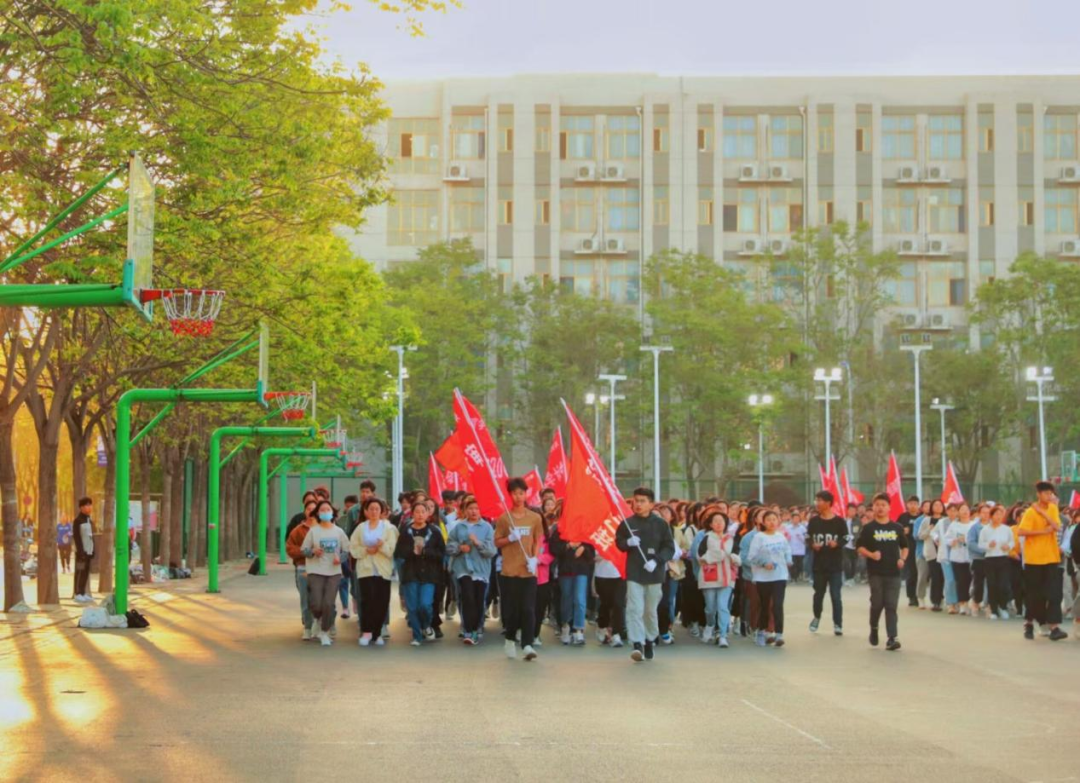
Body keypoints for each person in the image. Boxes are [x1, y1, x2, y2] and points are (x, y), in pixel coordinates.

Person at [616, 487, 676, 663]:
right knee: (635, 608)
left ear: (651, 504)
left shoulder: (661, 524)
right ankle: (637, 644)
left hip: (654, 573)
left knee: (650, 610)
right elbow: (619, 542)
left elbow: (669, 548)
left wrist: (657, 561)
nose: (638, 504)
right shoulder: (627, 523)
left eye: (642, 501)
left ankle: (650, 639)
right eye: (636, 500)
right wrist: (627, 542)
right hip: (634, 572)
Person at [493, 477, 544, 661]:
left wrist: (534, 558)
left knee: (529, 609)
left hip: (528, 571)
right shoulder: (504, 518)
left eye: (521, 492)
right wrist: (509, 539)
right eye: (515, 493)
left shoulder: (535, 518)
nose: (518, 496)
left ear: (526, 494)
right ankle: (509, 639)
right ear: (510, 495)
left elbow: (538, 539)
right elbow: (496, 541)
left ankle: (528, 645)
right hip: (509, 571)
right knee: (513, 610)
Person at [856, 493, 909, 651]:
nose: (880, 507)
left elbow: (905, 546)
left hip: (893, 572)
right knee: (877, 604)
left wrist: (902, 559)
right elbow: (860, 547)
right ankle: (874, 628)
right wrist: (871, 555)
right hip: (876, 572)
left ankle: (892, 638)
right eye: (877, 505)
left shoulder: (897, 527)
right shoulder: (869, 528)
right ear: (873, 507)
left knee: (891, 605)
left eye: (883, 505)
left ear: (889, 507)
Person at [1016, 481, 1068, 641]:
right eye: (1046, 493)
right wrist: (1041, 531)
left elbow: (1056, 527)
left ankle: (1054, 627)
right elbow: (1021, 531)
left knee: (1053, 594)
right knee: (1034, 595)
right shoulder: (1030, 513)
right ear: (1038, 494)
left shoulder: (1052, 508)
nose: (1049, 496)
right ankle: (1029, 623)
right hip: (1034, 560)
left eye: (1050, 494)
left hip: (1051, 558)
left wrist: (1043, 513)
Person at [394, 500, 446, 646]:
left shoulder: (434, 532)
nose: (420, 515)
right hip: (411, 574)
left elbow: (442, 553)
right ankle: (417, 636)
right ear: (412, 514)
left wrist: (425, 551)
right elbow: (399, 552)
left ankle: (426, 625)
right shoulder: (406, 531)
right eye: (417, 512)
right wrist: (411, 551)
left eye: (423, 512)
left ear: (428, 514)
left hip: (429, 575)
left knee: (425, 604)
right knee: (413, 606)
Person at [446, 494, 496, 645]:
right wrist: (460, 548)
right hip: (463, 568)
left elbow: (491, 551)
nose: (474, 511)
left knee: (479, 600)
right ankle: (467, 630)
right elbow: (449, 546)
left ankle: (476, 628)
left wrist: (478, 543)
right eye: (471, 508)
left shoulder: (487, 527)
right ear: (465, 510)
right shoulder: (458, 527)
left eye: (476, 508)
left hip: (481, 570)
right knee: (467, 597)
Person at [300, 499, 350, 647]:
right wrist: (313, 551)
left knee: (328, 603)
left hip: (333, 572)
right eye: (322, 510)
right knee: (316, 602)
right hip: (315, 570)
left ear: (333, 513)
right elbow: (304, 550)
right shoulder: (313, 531)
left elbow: (347, 550)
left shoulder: (338, 531)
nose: (325, 512)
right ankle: (317, 618)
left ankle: (324, 631)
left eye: (328, 510)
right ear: (317, 514)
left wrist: (339, 559)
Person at [349, 497, 398, 647]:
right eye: (371, 509)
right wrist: (366, 550)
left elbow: (391, 550)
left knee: (381, 602)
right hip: (365, 569)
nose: (374, 512)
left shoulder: (389, 529)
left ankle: (377, 633)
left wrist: (381, 546)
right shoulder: (360, 528)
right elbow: (353, 548)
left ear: (382, 511)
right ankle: (366, 631)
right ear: (366, 511)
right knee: (366, 601)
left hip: (383, 570)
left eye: (377, 509)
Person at [747, 509, 793, 647]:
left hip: (780, 576)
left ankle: (779, 634)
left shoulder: (781, 536)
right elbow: (751, 557)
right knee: (765, 605)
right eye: (769, 520)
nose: (772, 522)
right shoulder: (759, 537)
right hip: (763, 577)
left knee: (778, 605)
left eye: (774, 519)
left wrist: (789, 560)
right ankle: (761, 631)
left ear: (778, 521)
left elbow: (787, 550)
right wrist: (764, 563)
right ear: (763, 522)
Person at [550, 515, 596, 646]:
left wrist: (584, 549)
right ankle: (566, 626)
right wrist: (568, 545)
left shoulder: (585, 528)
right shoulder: (559, 528)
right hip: (565, 569)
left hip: (581, 569)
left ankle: (579, 629)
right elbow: (554, 549)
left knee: (580, 599)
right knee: (567, 598)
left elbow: (592, 549)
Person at [696, 508, 739, 647]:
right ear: (711, 524)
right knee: (710, 607)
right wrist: (717, 555)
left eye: (721, 521)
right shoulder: (706, 538)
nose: (719, 524)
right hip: (710, 578)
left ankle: (722, 635)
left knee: (723, 606)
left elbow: (737, 556)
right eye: (716, 521)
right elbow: (700, 557)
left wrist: (734, 559)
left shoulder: (731, 539)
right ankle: (710, 624)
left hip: (727, 577)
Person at [807, 490, 846, 635]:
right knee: (818, 594)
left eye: (820, 500)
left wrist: (837, 543)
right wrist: (812, 545)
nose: (817, 503)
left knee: (836, 595)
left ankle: (838, 624)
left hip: (835, 565)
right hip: (819, 565)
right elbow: (807, 537)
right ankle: (816, 617)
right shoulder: (814, 521)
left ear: (828, 503)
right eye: (816, 500)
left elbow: (847, 537)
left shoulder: (839, 521)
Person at [286, 499, 319, 640]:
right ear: (304, 512)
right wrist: (306, 552)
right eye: (308, 509)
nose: (311, 512)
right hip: (303, 568)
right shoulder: (298, 530)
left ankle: (319, 625)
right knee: (305, 599)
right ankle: (307, 627)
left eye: (314, 509)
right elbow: (290, 548)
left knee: (319, 599)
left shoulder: (325, 529)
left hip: (321, 569)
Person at [979, 504, 1015, 620]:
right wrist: (989, 545)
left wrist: (1008, 546)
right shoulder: (985, 529)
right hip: (990, 559)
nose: (999, 517)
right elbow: (981, 544)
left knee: (1003, 585)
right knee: (992, 585)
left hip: (1003, 558)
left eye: (1001, 514)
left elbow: (1012, 542)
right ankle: (993, 609)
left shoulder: (1007, 529)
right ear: (991, 516)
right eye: (996, 514)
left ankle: (1002, 607)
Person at [945, 503, 975, 615]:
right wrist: (952, 541)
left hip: (971, 557)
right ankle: (963, 603)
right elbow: (947, 538)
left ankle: (971, 601)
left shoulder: (973, 525)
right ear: (958, 512)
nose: (965, 512)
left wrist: (966, 540)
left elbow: (976, 539)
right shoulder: (954, 525)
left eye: (967, 509)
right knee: (960, 580)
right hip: (957, 556)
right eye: (962, 509)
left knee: (969, 580)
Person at [336, 494, 359, 620]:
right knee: (343, 582)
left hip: (354, 555)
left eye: (351, 506)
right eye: (347, 506)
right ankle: (345, 607)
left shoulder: (357, 520)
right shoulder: (340, 520)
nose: (349, 508)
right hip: (344, 555)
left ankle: (355, 599)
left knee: (355, 582)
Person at [896, 496, 920, 607]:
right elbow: (896, 531)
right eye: (911, 503)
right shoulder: (903, 517)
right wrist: (902, 532)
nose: (913, 506)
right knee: (911, 573)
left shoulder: (922, 517)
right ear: (907, 504)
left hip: (920, 548)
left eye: (915, 503)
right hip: (908, 548)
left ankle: (920, 595)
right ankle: (912, 597)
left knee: (921, 573)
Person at [72, 498, 95, 603]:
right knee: (80, 571)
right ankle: (77, 593)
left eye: (90, 505)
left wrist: (93, 549)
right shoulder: (77, 521)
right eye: (87, 505)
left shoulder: (89, 520)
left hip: (89, 550)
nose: (89, 507)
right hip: (81, 551)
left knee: (86, 572)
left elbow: (91, 537)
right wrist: (80, 551)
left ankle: (83, 592)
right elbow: (77, 537)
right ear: (81, 507)